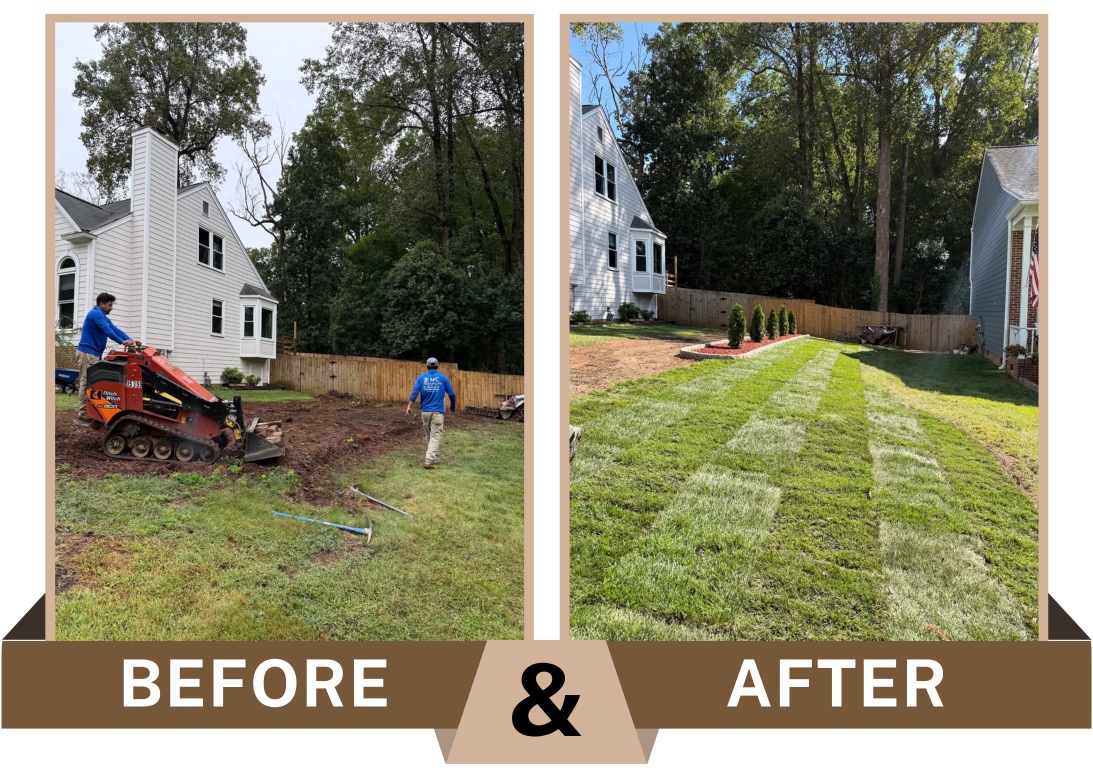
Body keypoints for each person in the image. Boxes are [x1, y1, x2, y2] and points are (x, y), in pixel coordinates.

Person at [75, 292, 135, 424]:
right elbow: (107, 331)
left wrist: (130, 340)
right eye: (109, 305)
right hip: (87, 352)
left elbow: (115, 329)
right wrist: (122, 342)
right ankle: (83, 413)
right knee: (86, 381)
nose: (111, 307)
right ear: (102, 304)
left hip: (93, 353)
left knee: (94, 383)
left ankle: (92, 410)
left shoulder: (102, 316)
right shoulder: (96, 314)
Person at [405, 357, 456, 469]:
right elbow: (452, 394)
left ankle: (435, 458)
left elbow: (414, 393)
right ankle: (429, 461)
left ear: (427, 366)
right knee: (435, 436)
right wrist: (452, 406)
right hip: (437, 412)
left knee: (429, 435)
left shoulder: (421, 378)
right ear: (437, 366)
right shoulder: (443, 378)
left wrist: (409, 406)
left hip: (425, 412)